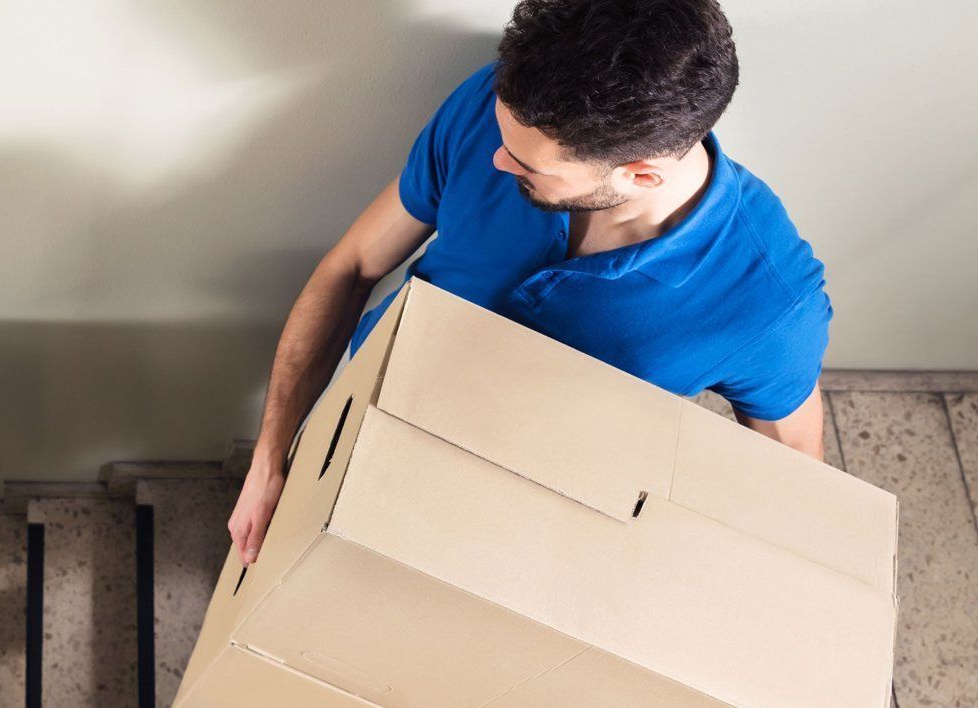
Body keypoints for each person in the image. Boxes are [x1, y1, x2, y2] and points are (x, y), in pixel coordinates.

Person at [230, 0, 832, 565]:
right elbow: (352, 266)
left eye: (528, 167)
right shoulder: (498, 108)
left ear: (642, 175)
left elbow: (791, 479)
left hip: (524, 518)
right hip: (366, 416)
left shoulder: (769, 301)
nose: (498, 160)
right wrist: (269, 459)